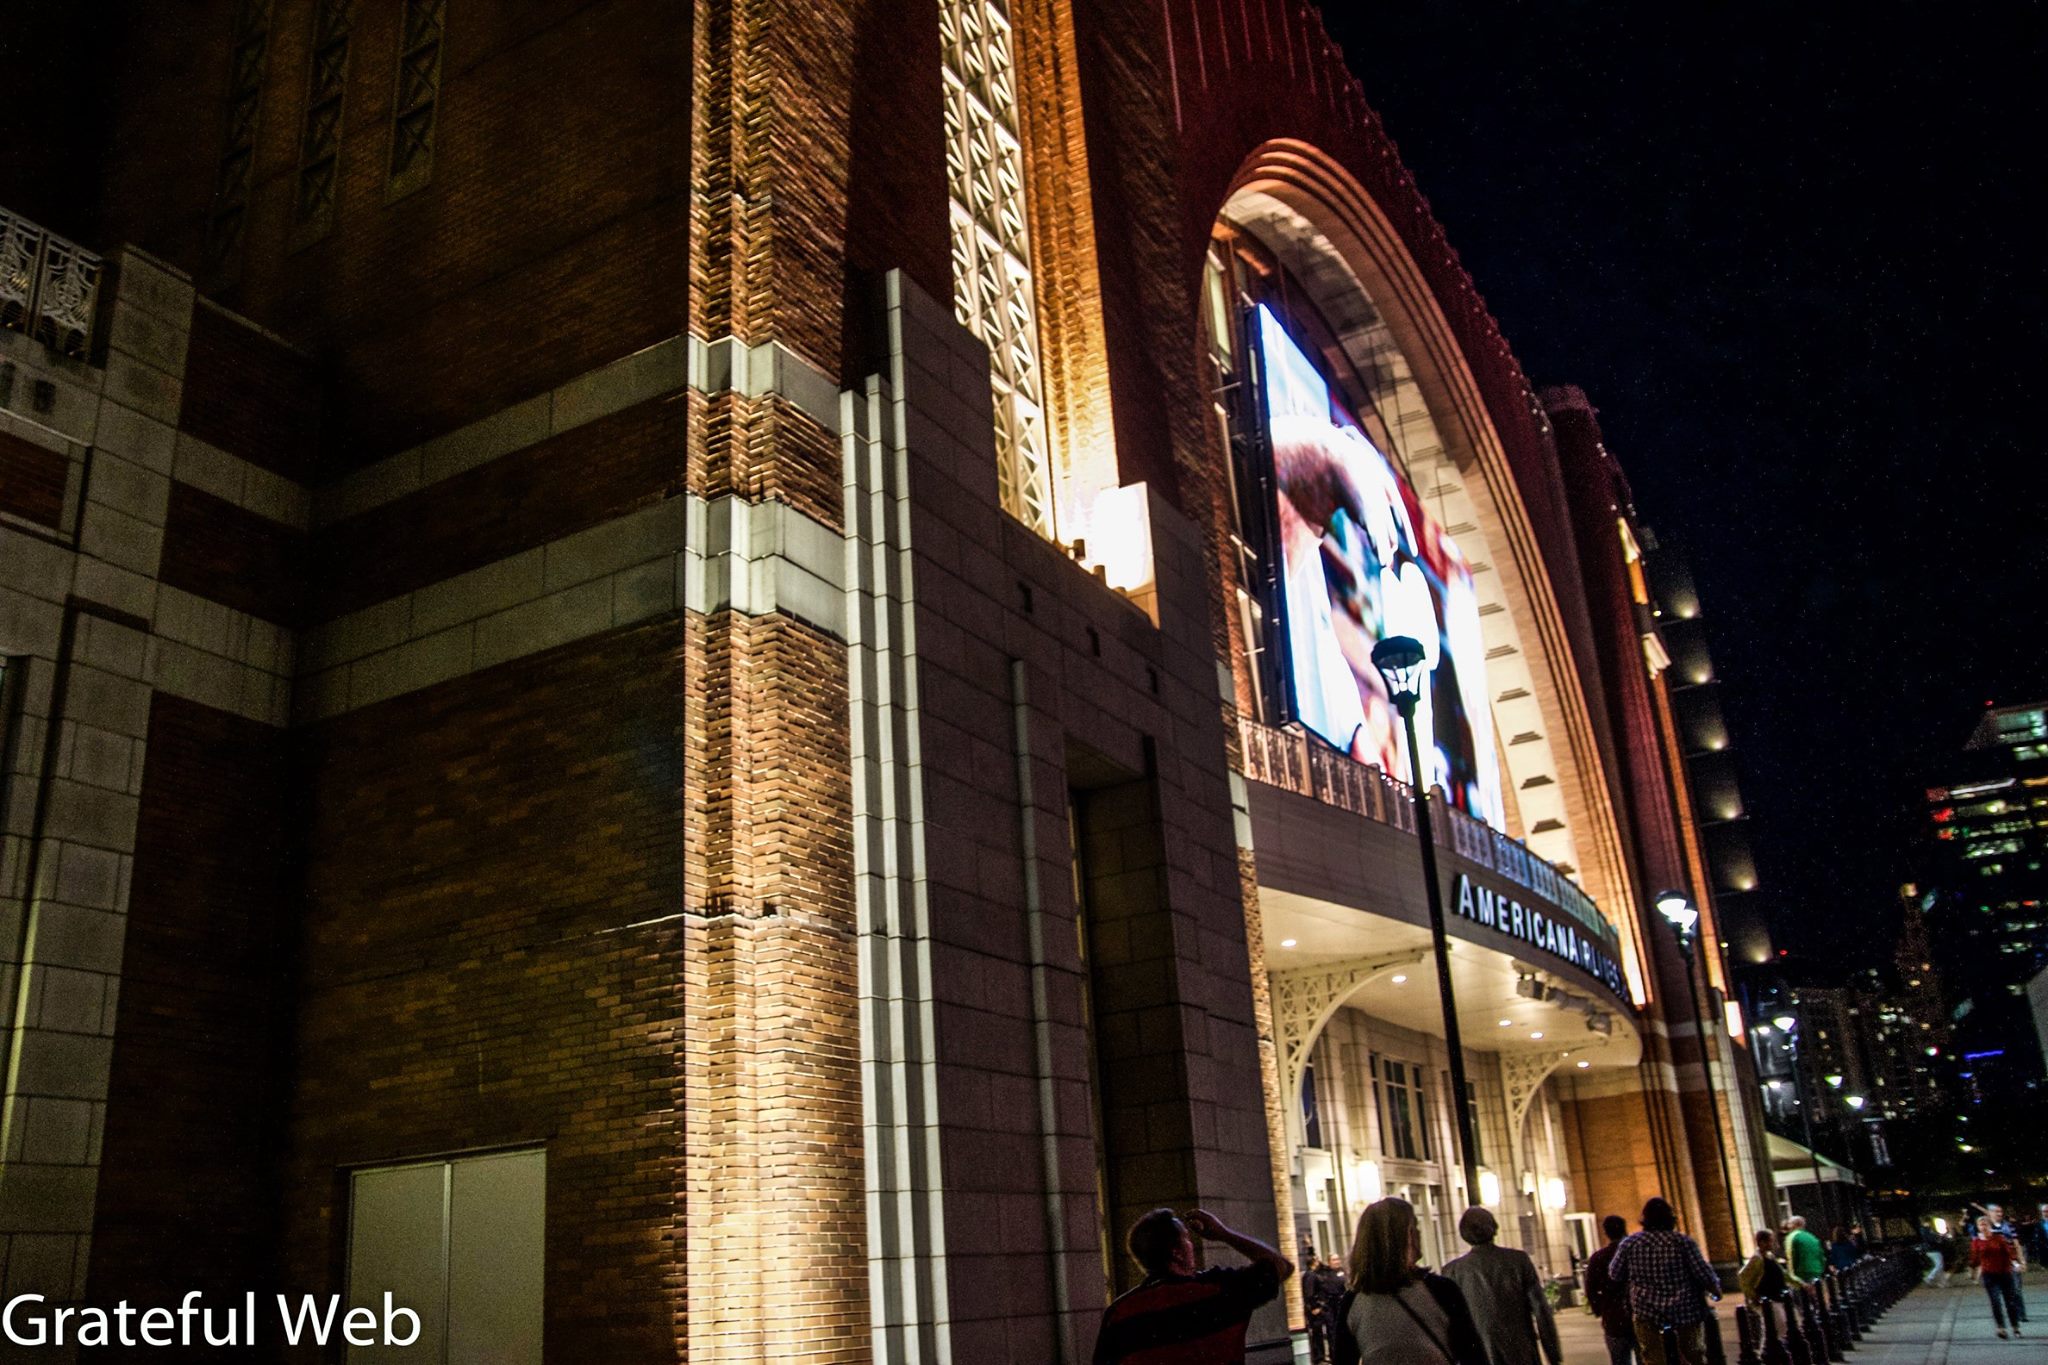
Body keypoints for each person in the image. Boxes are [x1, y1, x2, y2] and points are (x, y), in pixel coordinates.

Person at [1091, 1207, 1291, 1365]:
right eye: (1186, 1238)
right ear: (1177, 1253)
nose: (1191, 1244)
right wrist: (1223, 1233)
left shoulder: (1120, 1314)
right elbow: (1281, 1266)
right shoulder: (1219, 1291)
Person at [1331, 1196, 1489, 1365]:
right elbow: (1473, 1355)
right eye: (1414, 1227)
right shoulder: (1441, 1291)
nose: (1419, 1233)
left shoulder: (1353, 1302)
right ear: (1404, 1236)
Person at [1441, 1206, 1562, 1365]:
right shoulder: (1518, 1261)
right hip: (1520, 1352)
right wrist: (1552, 1354)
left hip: (1478, 1355)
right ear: (1494, 1228)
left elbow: (1448, 1324)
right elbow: (1540, 1309)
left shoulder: (1452, 1271)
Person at [1608, 1196, 1723, 1365]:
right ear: (1670, 1218)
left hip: (1646, 1313)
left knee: (1654, 1358)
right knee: (1693, 1355)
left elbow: (1614, 1273)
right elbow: (1703, 1274)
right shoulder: (1682, 1242)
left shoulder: (1630, 1244)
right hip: (1685, 1312)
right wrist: (1716, 1292)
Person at [1584, 1213, 1640, 1365]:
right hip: (1640, 1314)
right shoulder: (1635, 1253)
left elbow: (1590, 1288)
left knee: (1620, 1359)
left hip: (1613, 1317)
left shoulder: (1598, 1258)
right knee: (1645, 1358)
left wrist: (1599, 1309)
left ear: (1606, 1233)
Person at [1970, 1214, 2025, 1339]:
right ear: (1978, 1227)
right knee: (1995, 1302)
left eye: (1985, 1224)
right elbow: (1974, 1259)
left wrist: (2016, 1263)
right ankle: (2001, 1328)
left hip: (2004, 1273)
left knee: (2010, 1301)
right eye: (1980, 1225)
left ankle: (2015, 1327)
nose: (1983, 1227)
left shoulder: (1999, 1238)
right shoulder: (1976, 1242)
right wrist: (1973, 1272)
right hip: (1989, 1275)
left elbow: (2009, 1252)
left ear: (1990, 1226)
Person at [1737, 1229, 1806, 1304]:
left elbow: (1783, 1273)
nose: (1773, 1244)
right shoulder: (1757, 1259)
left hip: (1778, 1298)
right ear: (1762, 1242)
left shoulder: (1769, 1256)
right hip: (1769, 1301)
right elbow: (1743, 1278)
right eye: (1771, 1241)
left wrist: (1800, 1283)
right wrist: (1754, 1297)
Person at [1306, 1256, 1348, 1364]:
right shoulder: (1317, 1274)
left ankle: (1336, 1355)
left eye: (1338, 1259)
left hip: (1338, 1305)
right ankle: (1324, 1357)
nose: (1337, 1261)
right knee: (1326, 1331)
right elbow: (1311, 1292)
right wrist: (1315, 1306)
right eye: (1334, 1260)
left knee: (1335, 1330)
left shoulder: (1342, 1272)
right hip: (1327, 1306)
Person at [1782, 1215, 1826, 1286]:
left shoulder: (1792, 1237)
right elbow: (1821, 1256)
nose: (1788, 1226)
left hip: (1801, 1275)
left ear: (1795, 1225)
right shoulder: (1812, 1237)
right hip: (1816, 1271)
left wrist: (1792, 1278)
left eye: (1789, 1224)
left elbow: (1790, 1257)